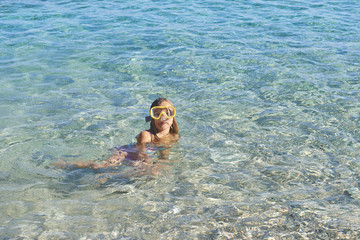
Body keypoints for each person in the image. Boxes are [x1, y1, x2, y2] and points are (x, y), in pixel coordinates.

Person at [54, 97, 179, 170]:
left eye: (168, 113)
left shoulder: (174, 136)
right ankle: (65, 164)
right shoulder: (146, 135)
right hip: (126, 153)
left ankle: (103, 178)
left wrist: (164, 165)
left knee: (140, 172)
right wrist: (148, 164)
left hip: (141, 159)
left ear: (173, 117)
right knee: (99, 165)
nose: (163, 117)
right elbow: (141, 152)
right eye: (157, 114)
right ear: (152, 118)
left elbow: (164, 155)